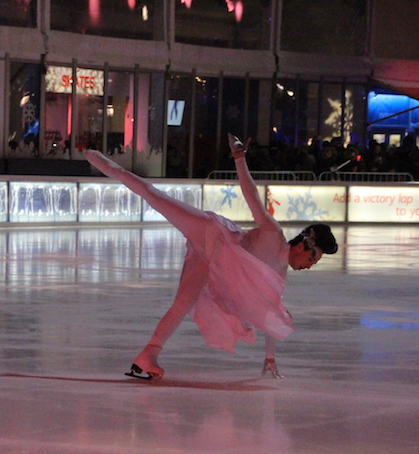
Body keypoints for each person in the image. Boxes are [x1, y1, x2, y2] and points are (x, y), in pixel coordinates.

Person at [85, 134, 338, 380]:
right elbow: (252, 197)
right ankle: (101, 162)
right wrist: (240, 158)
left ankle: (147, 355)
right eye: (312, 260)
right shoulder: (273, 234)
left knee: (181, 305)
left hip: (208, 261)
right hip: (210, 233)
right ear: (306, 247)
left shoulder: (278, 275)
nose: (308, 266)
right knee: (155, 196)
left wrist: (270, 357)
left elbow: (268, 315)